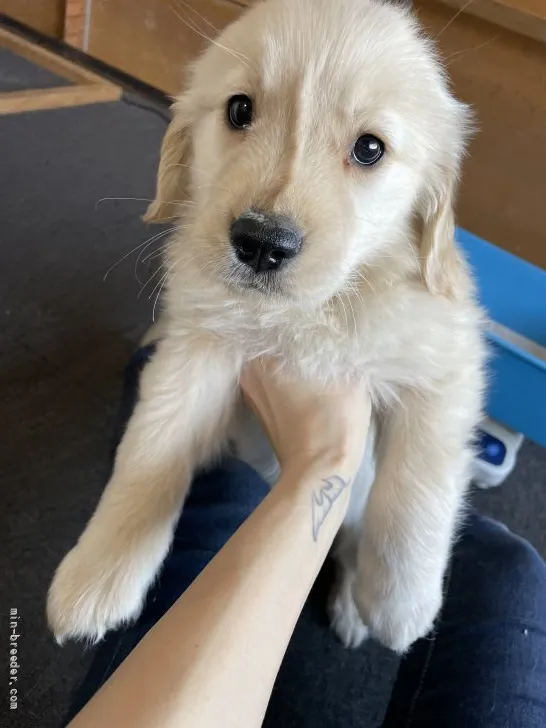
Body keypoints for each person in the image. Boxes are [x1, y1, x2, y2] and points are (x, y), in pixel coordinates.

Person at [63, 347, 546, 728]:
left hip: (334, 468)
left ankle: (351, 552)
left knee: (225, 485)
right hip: (284, 450)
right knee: (510, 566)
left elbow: (445, 369)